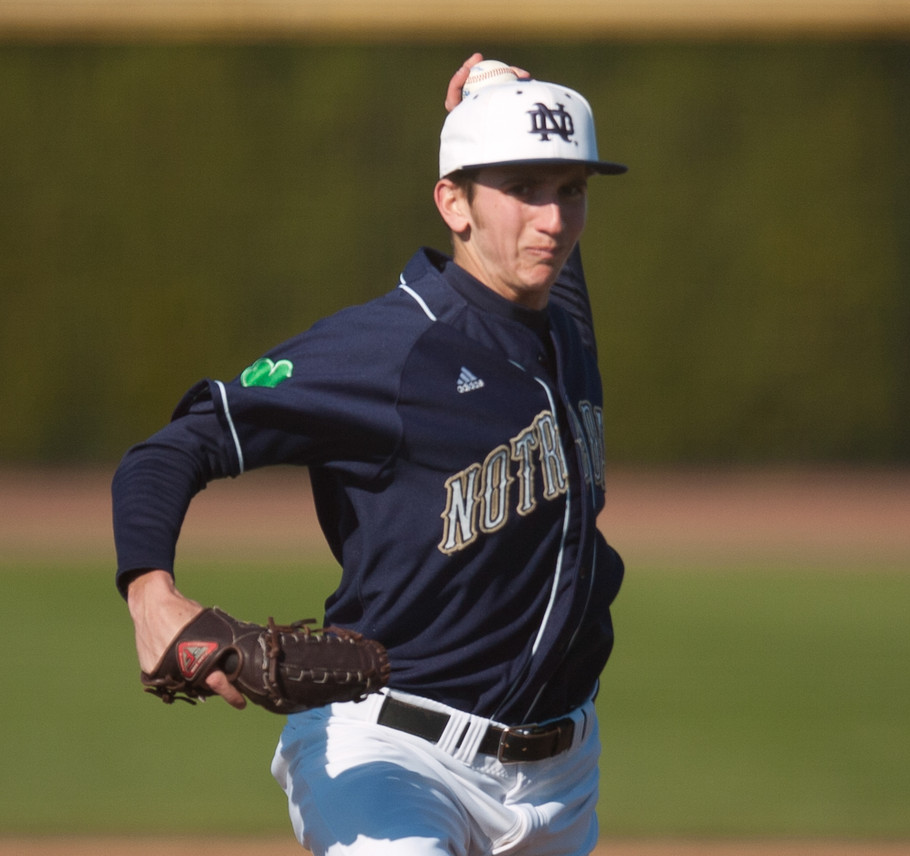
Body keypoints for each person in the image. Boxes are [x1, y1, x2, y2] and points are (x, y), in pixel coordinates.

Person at [112, 53, 627, 856]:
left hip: (561, 783)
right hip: (394, 758)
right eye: (523, 188)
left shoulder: (561, 321)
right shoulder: (392, 349)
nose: (553, 220)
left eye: (571, 189)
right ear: (452, 202)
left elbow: (549, 250)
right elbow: (175, 447)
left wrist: (489, 97)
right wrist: (152, 595)